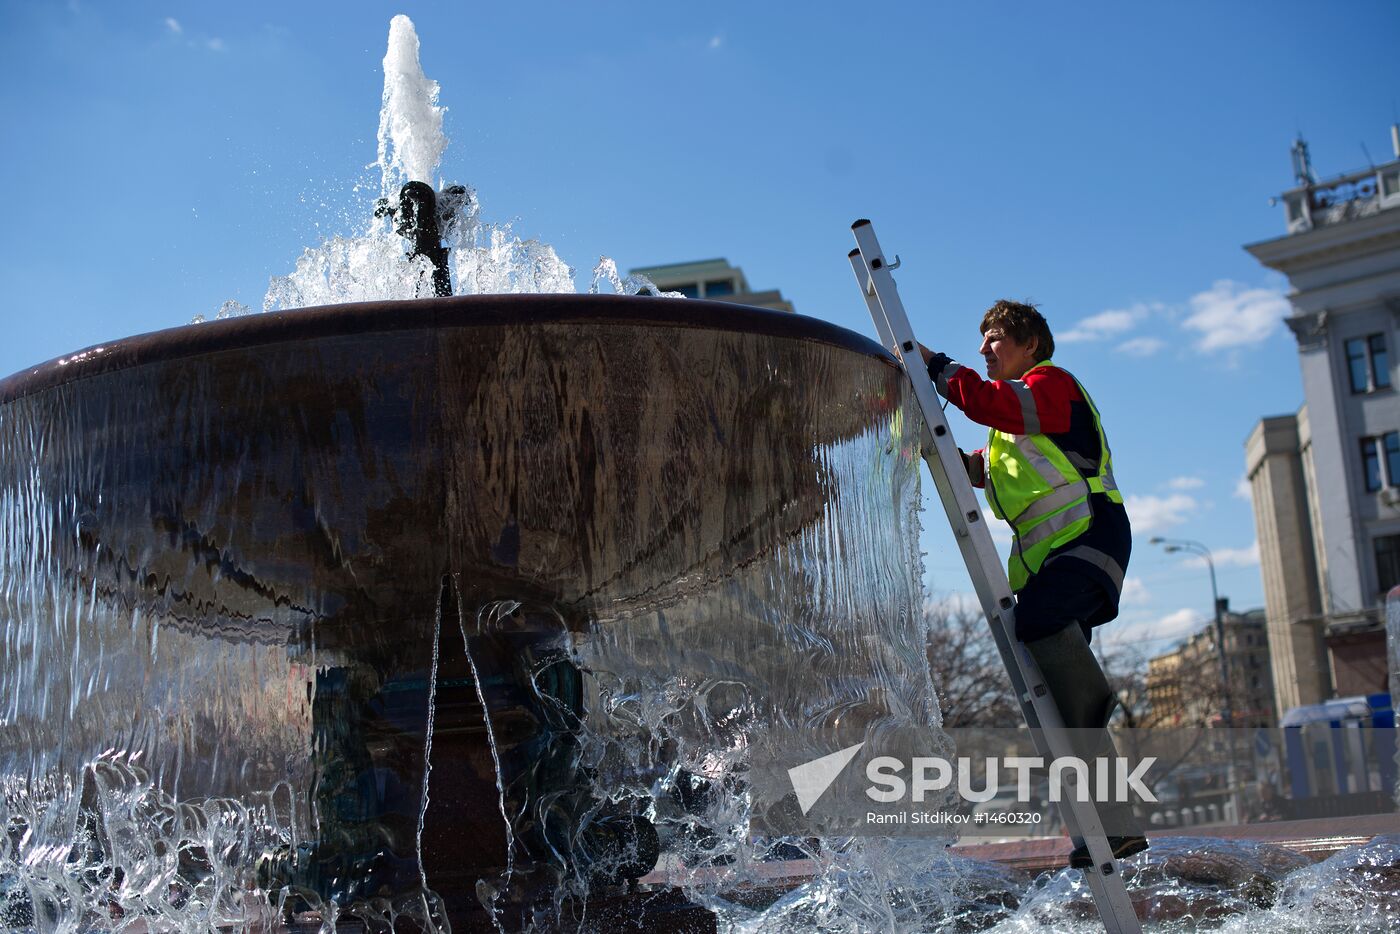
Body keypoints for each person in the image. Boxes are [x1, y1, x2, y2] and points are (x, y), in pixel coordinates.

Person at [921, 299, 1147, 867]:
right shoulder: (1012, 432)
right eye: (982, 340)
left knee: (1041, 623)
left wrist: (934, 365)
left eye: (995, 337)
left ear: (1030, 346)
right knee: (1052, 679)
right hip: (1059, 558)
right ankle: (1114, 827)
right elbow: (982, 469)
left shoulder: (1050, 385)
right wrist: (928, 447)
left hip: (1091, 538)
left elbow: (988, 402)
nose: (984, 348)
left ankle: (1095, 709)